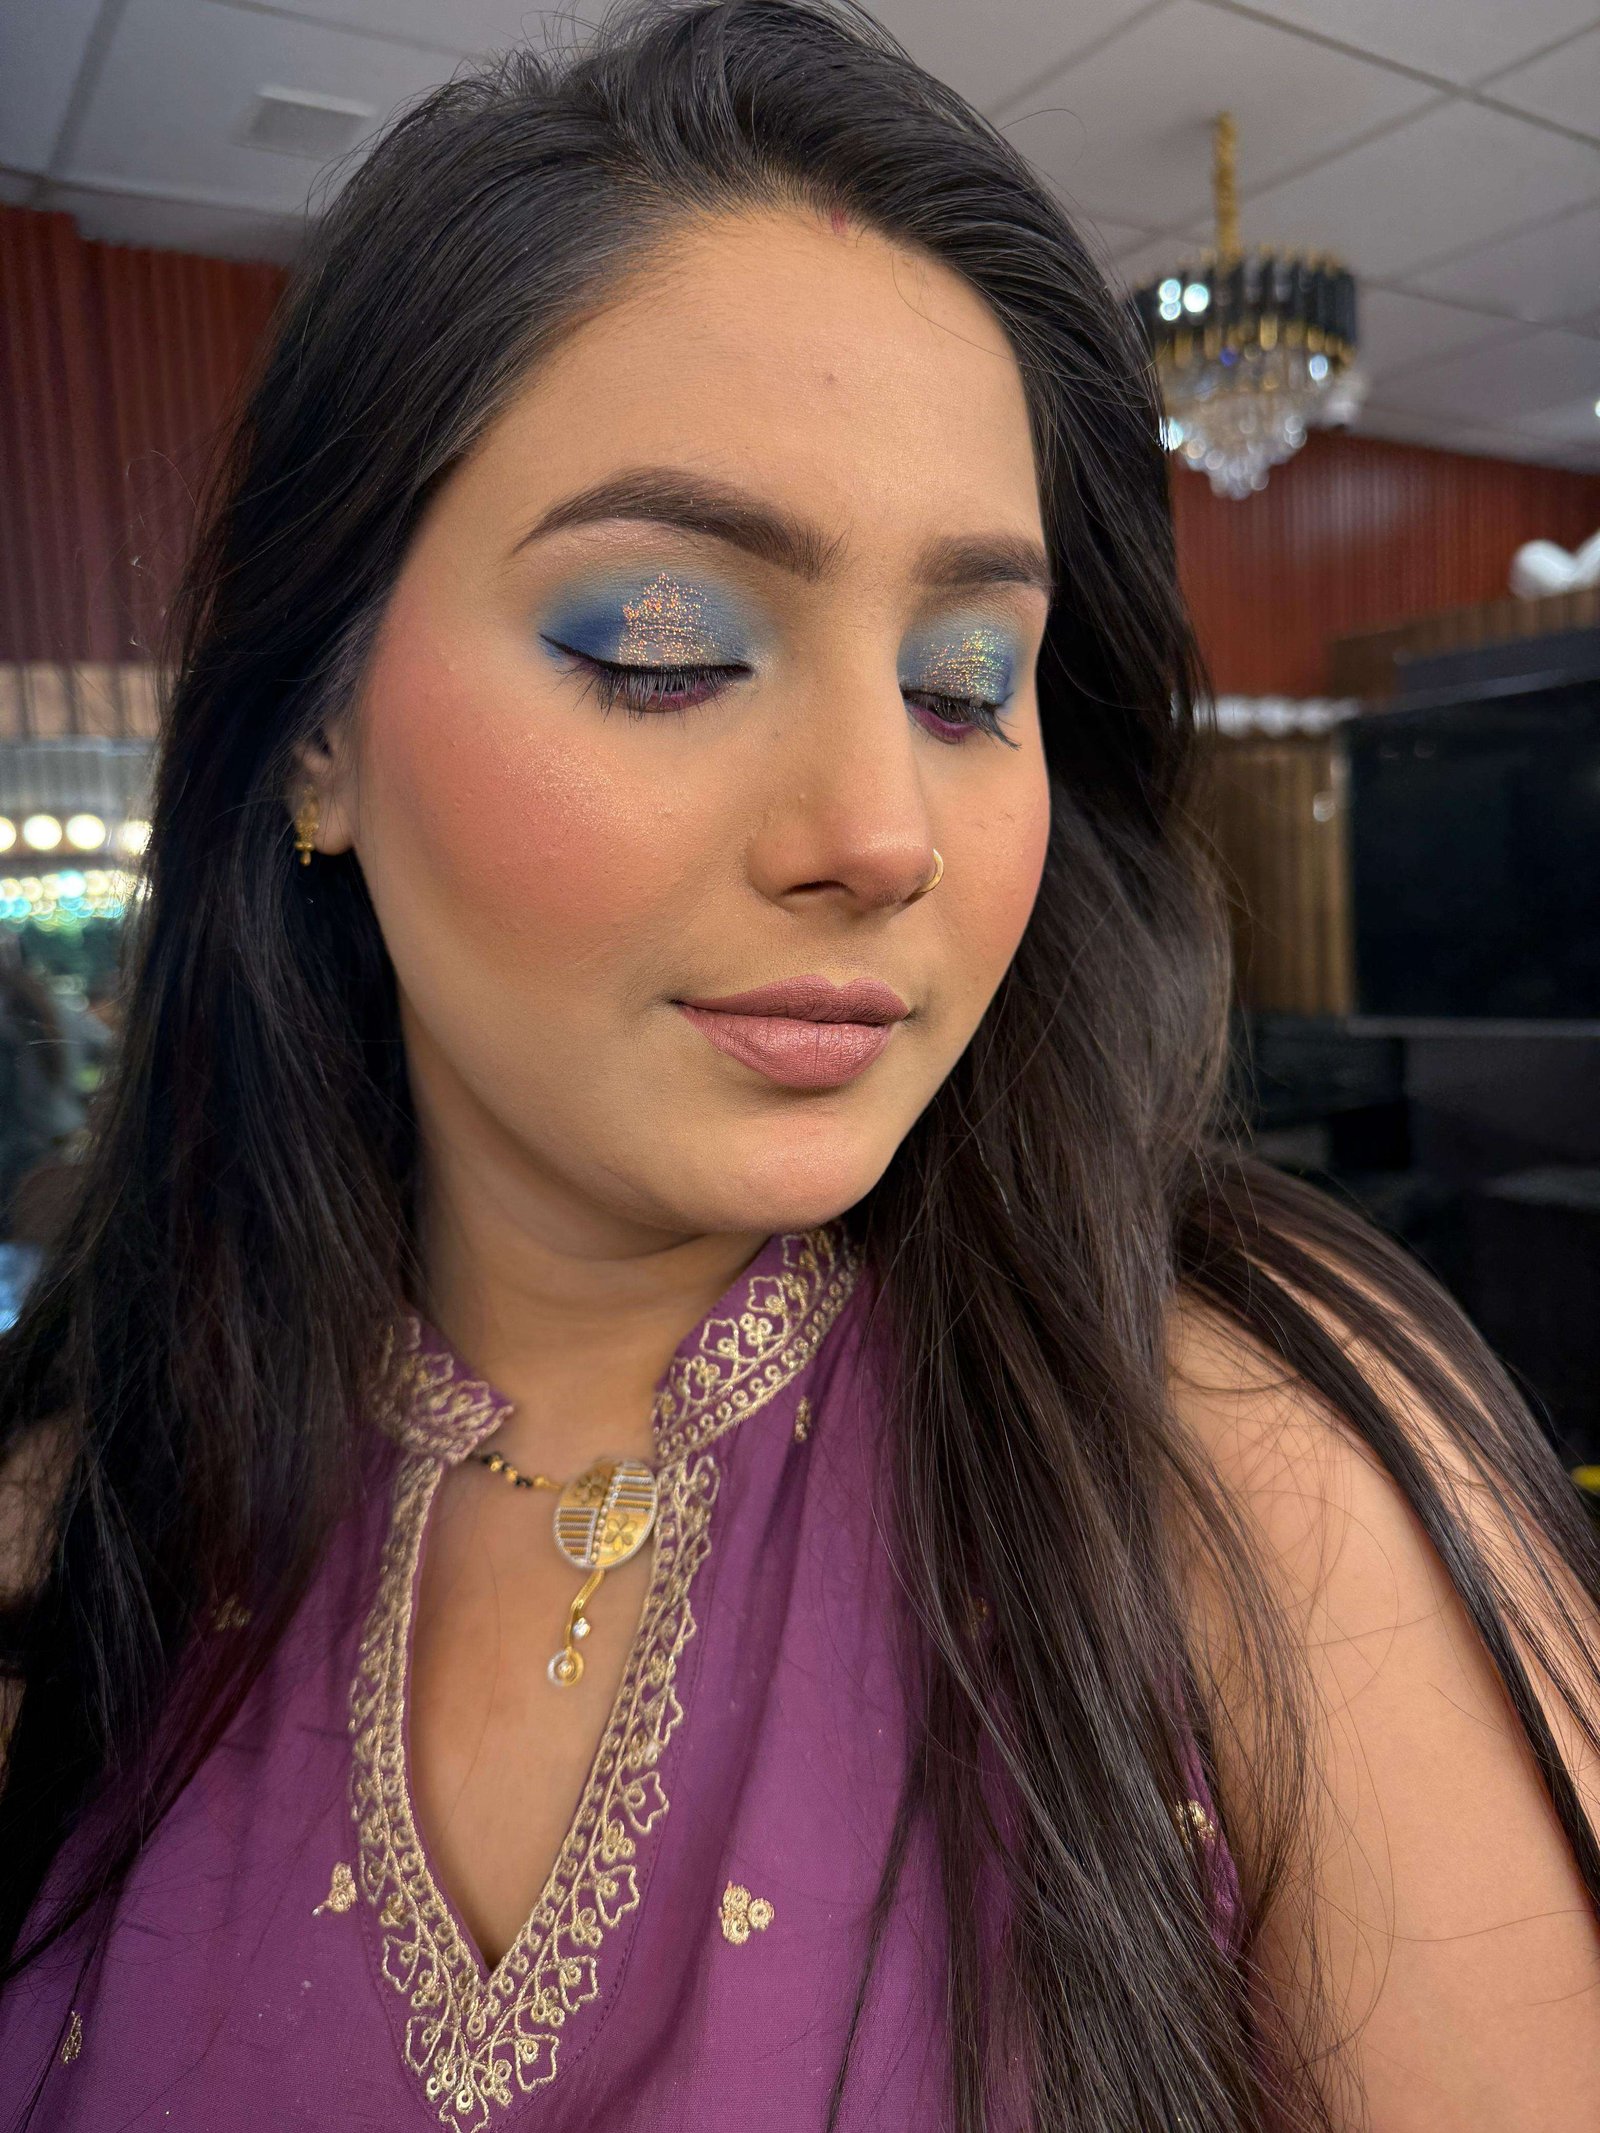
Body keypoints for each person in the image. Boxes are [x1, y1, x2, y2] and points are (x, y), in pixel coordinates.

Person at [2, 5, 1598, 2127]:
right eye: (661, 646)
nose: (881, 830)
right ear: (316, 736)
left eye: (966, 680)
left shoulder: (1254, 1474)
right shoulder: (74, 1523)